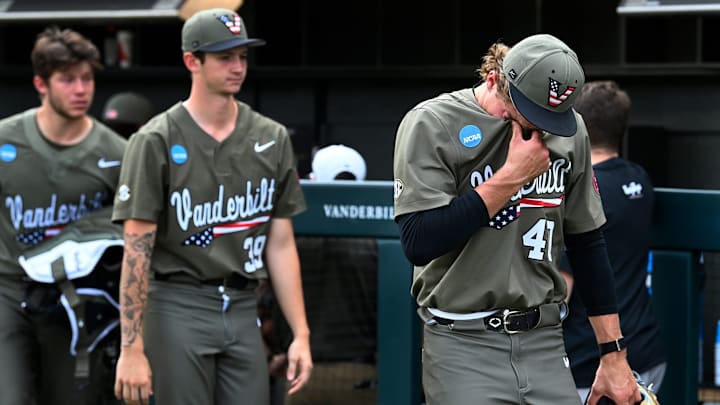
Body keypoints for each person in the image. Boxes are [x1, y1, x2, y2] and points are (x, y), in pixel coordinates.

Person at [392, 34, 642, 405]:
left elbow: (587, 243)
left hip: (544, 338)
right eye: (533, 113)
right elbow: (419, 241)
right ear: (495, 80)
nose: (545, 127)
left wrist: (613, 353)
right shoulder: (432, 122)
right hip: (463, 340)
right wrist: (512, 176)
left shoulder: (568, 129)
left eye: (554, 117)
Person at [111, 8, 313, 405]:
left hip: (241, 303)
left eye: (242, 56)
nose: (238, 66)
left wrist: (301, 334)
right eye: (225, 57)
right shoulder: (155, 139)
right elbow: (136, 250)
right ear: (192, 61)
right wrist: (131, 348)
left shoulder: (271, 136)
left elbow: (281, 243)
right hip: (176, 303)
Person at [0, 26, 126, 405]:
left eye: (86, 79)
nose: (81, 89)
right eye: (68, 80)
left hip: (75, 297)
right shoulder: (7, 141)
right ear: (41, 83)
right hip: (8, 289)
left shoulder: (116, 151)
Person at [560, 80, 666, 400]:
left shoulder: (579, 192)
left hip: (592, 365)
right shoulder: (640, 179)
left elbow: (560, 293)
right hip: (646, 354)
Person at [284, 144, 378, 405]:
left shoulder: (291, 242)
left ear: (312, 181)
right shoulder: (378, 242)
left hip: (302, 371)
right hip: (363, 375)